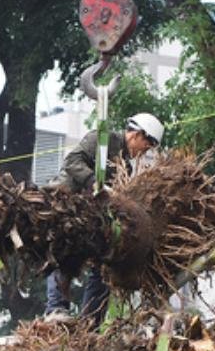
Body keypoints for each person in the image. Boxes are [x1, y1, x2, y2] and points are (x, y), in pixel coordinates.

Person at [44, 113, 164, 325]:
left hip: (91, 218)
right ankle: (55, 309)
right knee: (61, 253)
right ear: (136, 135)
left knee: (104, 265)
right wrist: (95, 183)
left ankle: (90, 322)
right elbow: (72, 162)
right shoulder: (102, 139)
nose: (146, 151)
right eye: (147, 144)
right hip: (68, 203)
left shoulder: (125, 165)